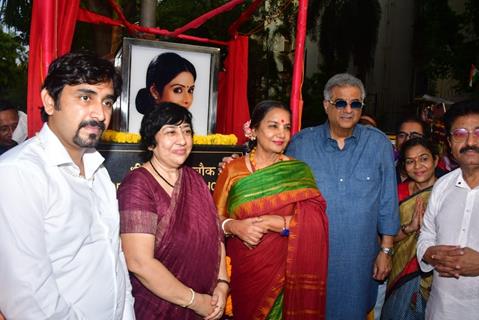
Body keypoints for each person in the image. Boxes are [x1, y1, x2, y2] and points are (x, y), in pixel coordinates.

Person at [0, 52, 135, 319]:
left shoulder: (99, 172)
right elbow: (28, 297)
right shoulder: (18, 173)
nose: (100, 113)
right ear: (50, 101)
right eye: (85, 97)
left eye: (107, 101)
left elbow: (115, 261)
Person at [287, 73, 399, 319]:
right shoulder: (301, 144)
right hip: (311, 258)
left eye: (355, 103)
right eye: (340, 103)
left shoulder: (378, 144)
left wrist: (386, 251)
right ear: (327, 105)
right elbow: (281, 192)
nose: (348, 110)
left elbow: (387, 202)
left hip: (359, 261)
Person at [214, 100, 329, 319]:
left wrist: (274, 222)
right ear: (254, 130)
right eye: (273, 125)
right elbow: (212, 220)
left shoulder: (299, 173)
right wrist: (234, 226)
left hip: (287, 272)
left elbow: (316, 224)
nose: (282, 134)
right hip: (243, 273)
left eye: (287, 127)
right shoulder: (232, 170)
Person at [118, 102, 228, 320]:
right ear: (151, 143)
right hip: (157, 309)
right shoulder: (138, 186)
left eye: (187, 131)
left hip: (206, 305)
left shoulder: (194, 180)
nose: (182, 140)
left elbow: (215, 238)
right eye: (171, 132)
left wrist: (222, 285)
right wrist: (195, 301)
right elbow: (139, 262)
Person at [417, 99, 479, 320]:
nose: (470, 141)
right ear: (450, 144)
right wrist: (429, 253)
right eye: (460, 133)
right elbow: (426, 234)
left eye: (478, 132)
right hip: (440, 311)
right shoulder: (442, 185)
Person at [381, 137, 439, 319]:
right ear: (404, 166)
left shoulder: (447, 191)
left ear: (436, 160)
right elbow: (382, 237)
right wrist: (410, 227)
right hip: (400, 272)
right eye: (410, 161)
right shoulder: (396, 192)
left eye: (424, 158)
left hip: (436, 274)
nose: (417, 166)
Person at [394, 116, 427, 182]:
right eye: (402, 136)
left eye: (414, 136)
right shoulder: (386, 170)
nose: (407, 140)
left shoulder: (440, 179)